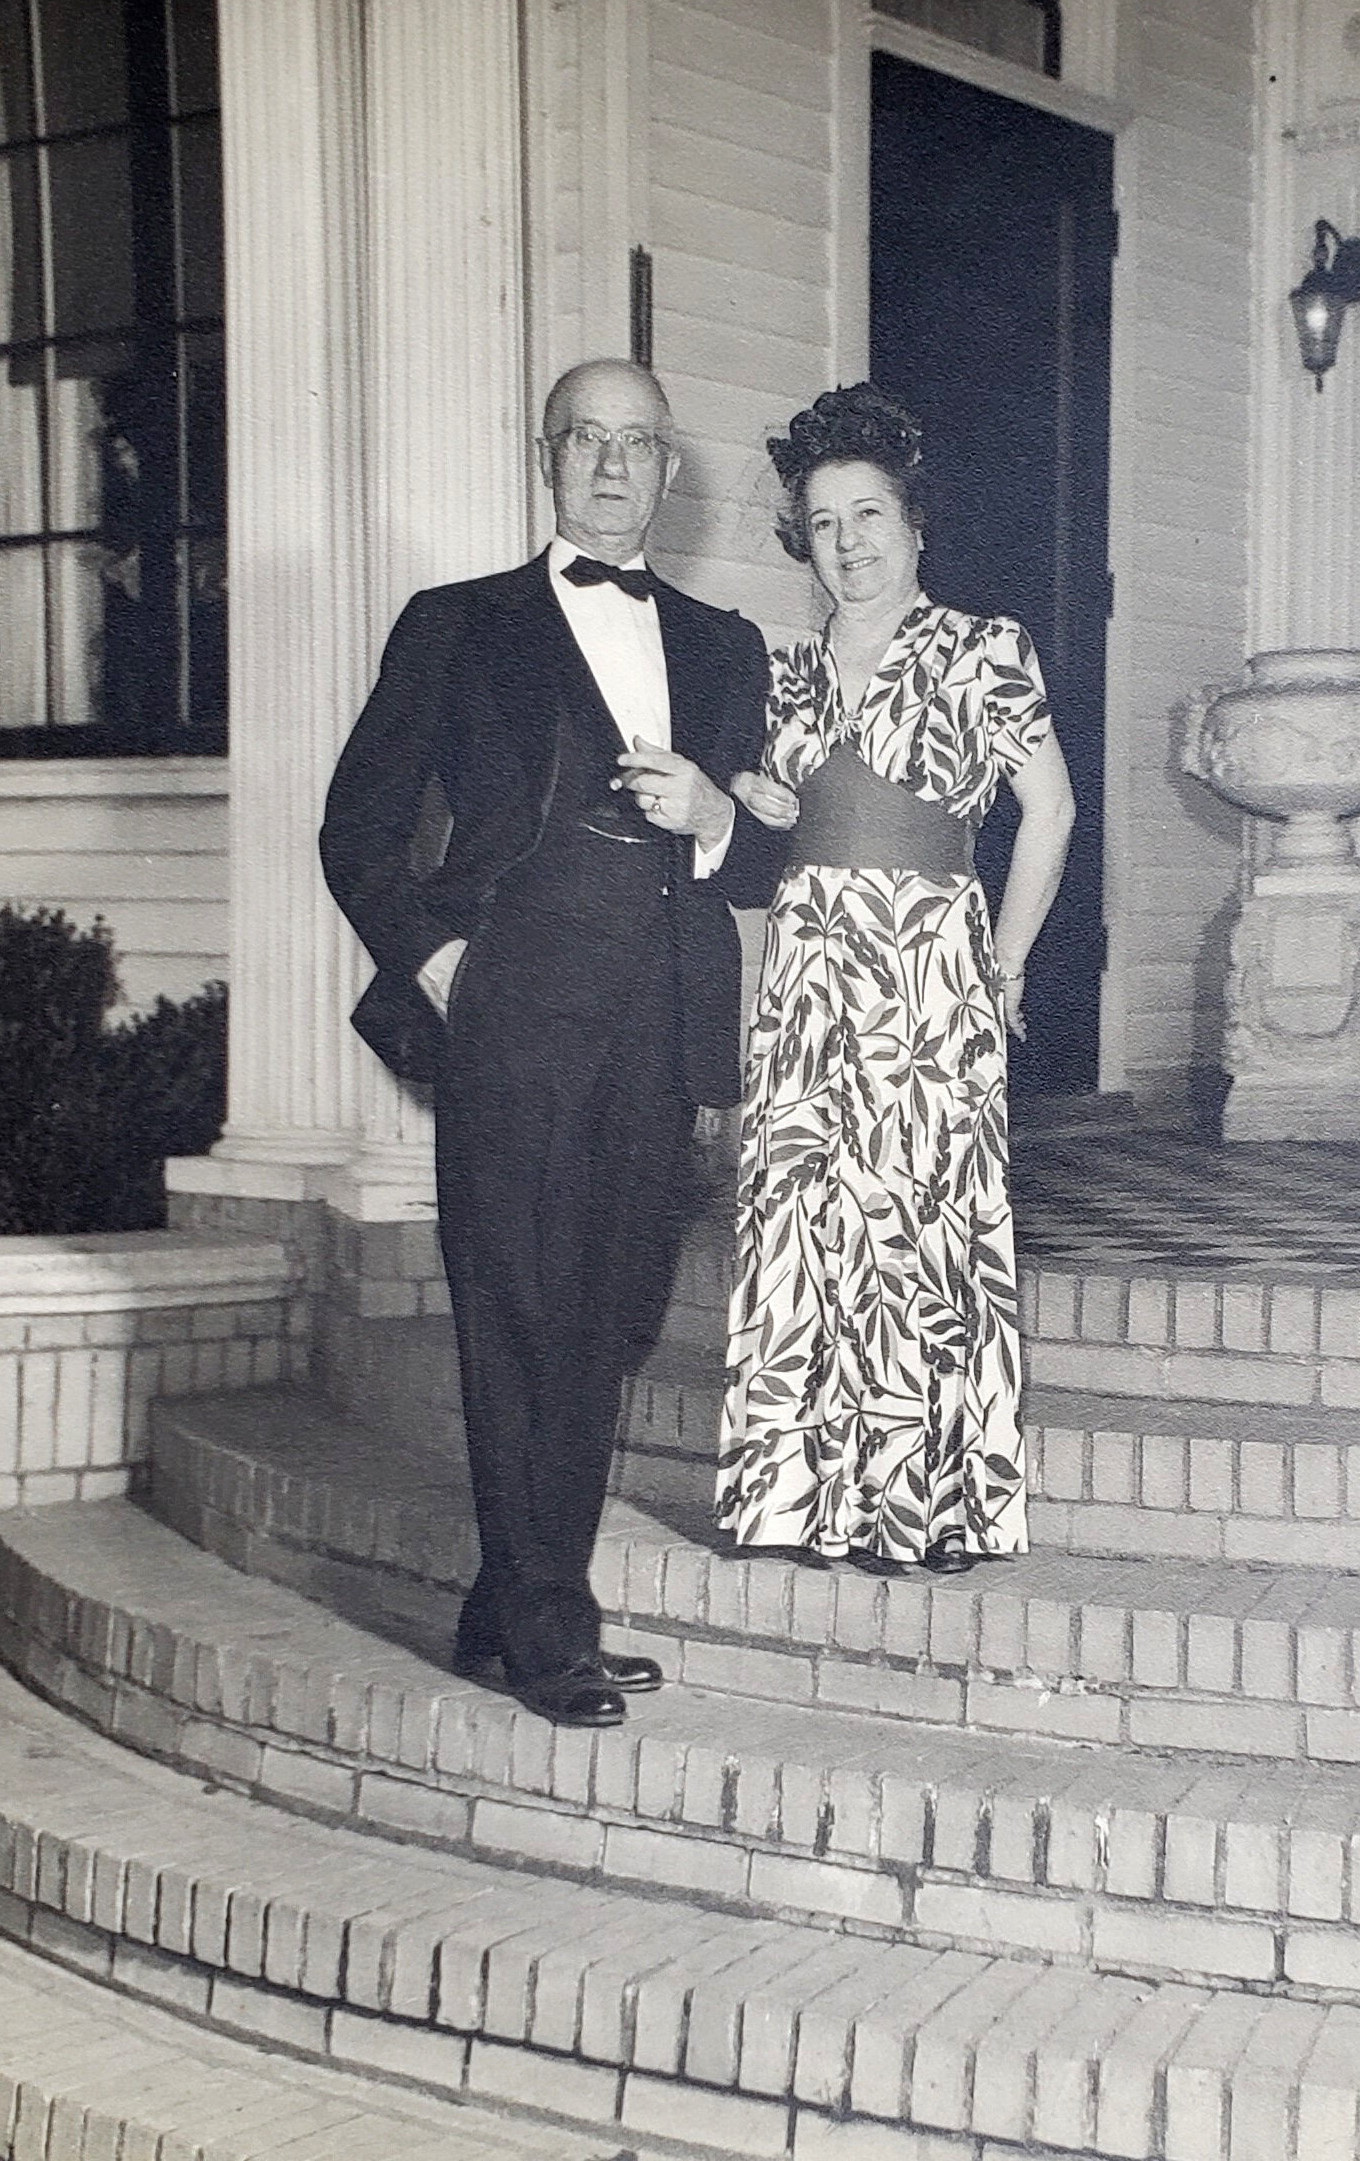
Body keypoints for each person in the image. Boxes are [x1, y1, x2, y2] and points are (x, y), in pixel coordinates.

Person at [321, 359, 779, 1725]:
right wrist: (448, 965)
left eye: (639, 444)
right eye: (588, 439)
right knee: (518, 1308)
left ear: (668, 472)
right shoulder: (458, 626)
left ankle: (505, 1596)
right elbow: (358, 828)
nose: (614, 465)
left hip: (660, 1031)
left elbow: (760, 860)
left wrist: (713, 815)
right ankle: (546, 1624)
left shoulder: (723, 645)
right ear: (548, 457)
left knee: (612, 1318)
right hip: (513, 1020)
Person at [716, 384, 1075, 1575]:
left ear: (915, 525)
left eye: (869, 514)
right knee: (806, 1222)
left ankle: (920, 1508)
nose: (849, 542)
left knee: (918, 1232)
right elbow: (772, 831)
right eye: (823, 523)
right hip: (808, 971)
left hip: (928, 973)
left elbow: (1051, 812)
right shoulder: (784, 671)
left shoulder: (983, 648)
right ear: (802, 543)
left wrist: (1008, 963)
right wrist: (761, 804)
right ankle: (795, 1501)